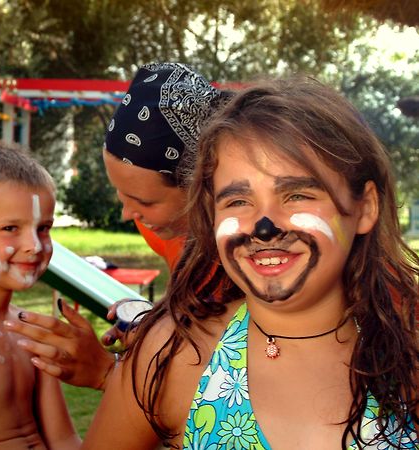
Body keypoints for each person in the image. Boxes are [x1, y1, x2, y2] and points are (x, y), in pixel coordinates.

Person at [81, 77, 418, 449]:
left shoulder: (406, 352)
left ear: (365, 207)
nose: (264, 227)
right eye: (238, 201)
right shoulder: (175, 355)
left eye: (297, 195)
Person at [3, 62, 232, 389]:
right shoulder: (164, 230)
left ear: (204, 189)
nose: (127, 213)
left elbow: (219, 398)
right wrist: (156, 319)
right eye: (120, 193)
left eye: (145, 202)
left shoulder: (243, 270)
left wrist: (107, 374)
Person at [0, 140, 80, 449]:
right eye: (10, 228)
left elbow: (64, 440)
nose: (34, 244)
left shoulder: (30, 329)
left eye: (43, 228)